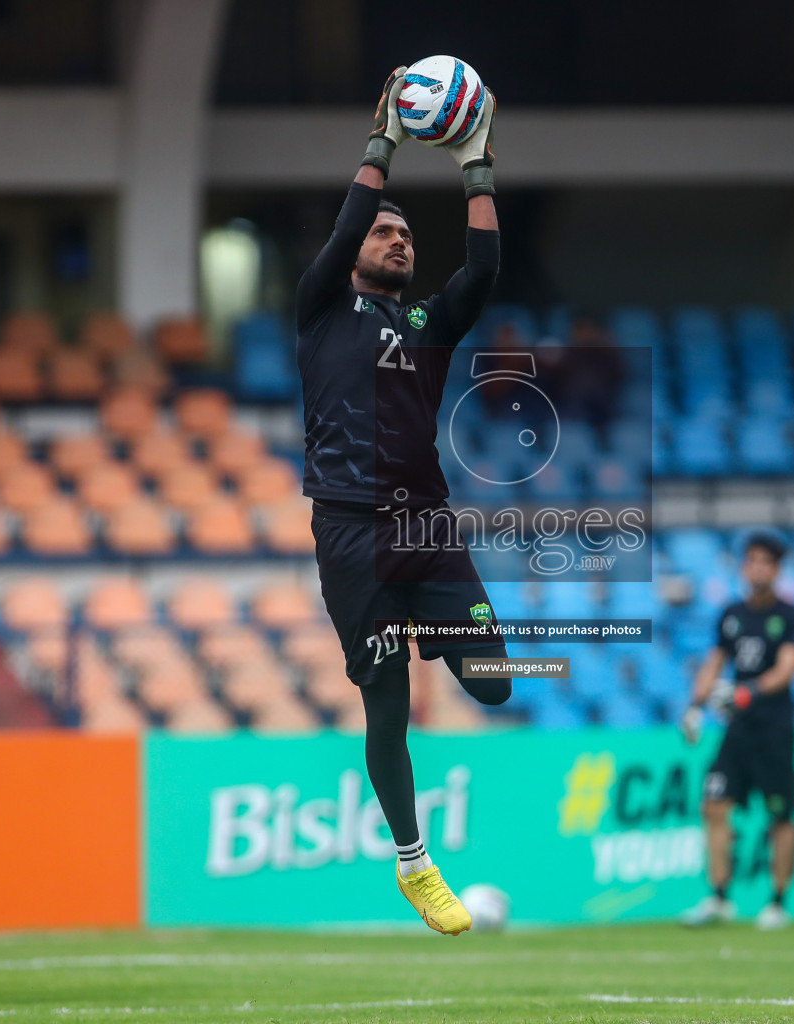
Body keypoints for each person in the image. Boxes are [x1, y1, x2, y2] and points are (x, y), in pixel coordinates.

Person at [297, 67, 508, 935]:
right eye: (384, 232)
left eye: (407, 236)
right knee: (387, 701)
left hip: (426, 529)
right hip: (350, 530)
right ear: (351, 252)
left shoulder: (426, 327)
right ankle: (413, 863)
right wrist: (382, 143)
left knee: (492, 684)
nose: (397, 240)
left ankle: (426, 625)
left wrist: (477, 163)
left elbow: (485, 268)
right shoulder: (320, 311)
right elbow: (352, 216)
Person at [679, 532, 794, 930]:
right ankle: (719, 898)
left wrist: (744, 693)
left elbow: (786, 671)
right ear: (744, 566)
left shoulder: (793, 617)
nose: (758, 568)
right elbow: (714, 662)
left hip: (774, 729)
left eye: (766, 562)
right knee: (714, 806)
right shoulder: (731, 614)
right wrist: (694, 707)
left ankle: (777, 902)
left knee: (781, 816)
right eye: (752, 560)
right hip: (738, 730)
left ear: (777, 570)